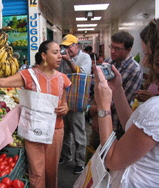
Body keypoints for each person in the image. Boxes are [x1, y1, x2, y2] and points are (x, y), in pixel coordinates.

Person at [0, 40, 71, 188]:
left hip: (56, 130)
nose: (60, 56)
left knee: (51, 170)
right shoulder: (28, 75)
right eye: (55, 53)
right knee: (37, 172)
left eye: (59, 52)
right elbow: (4, 82)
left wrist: (65, 107)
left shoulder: (63, 78)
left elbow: (64, 102)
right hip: (33, 130)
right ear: (44, 55)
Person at [94, 14, 159, 187]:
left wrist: (103, 107)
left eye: (148, 54)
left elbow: (112, 160)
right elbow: (132, 125)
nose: (145, 62)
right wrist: (117, 89)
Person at [88, 31, 143, 153]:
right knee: (94, 157)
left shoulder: (134, 70)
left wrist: (97, 109)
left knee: (110, 161)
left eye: (117, 49)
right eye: (111, 47)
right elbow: (99, 88)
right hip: (100, 118)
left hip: (116, 125)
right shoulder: (109, 62)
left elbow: (119, 102)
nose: (113, 51)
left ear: (128, 50)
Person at [58, 34, 92, 174]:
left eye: (68, 46)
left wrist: (69, 61)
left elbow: (82, 74)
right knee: (65, 131)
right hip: (64, 99)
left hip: (77, 100)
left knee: (78, 132)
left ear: (76, 45)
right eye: (64, 47)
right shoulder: (62, 59)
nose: (66, 49)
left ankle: (80, 161)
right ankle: (66, 155)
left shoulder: (85, 58)